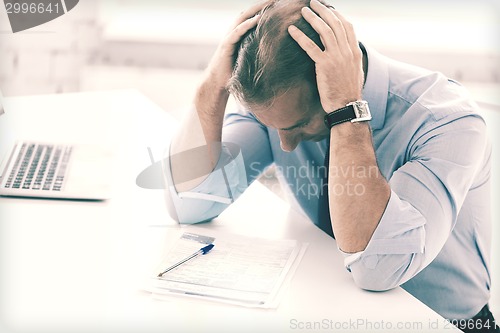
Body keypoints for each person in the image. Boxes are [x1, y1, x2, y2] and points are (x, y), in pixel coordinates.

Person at [163, 0, 498, 331]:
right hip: (328, 312)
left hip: (445, 324)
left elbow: (379, 269)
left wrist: (347, 110)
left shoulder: (447, 120)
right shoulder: (278, 108)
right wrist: (212, 85)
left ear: (331, 84)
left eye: (298, 126)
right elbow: (190, 203)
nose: (284, 144)